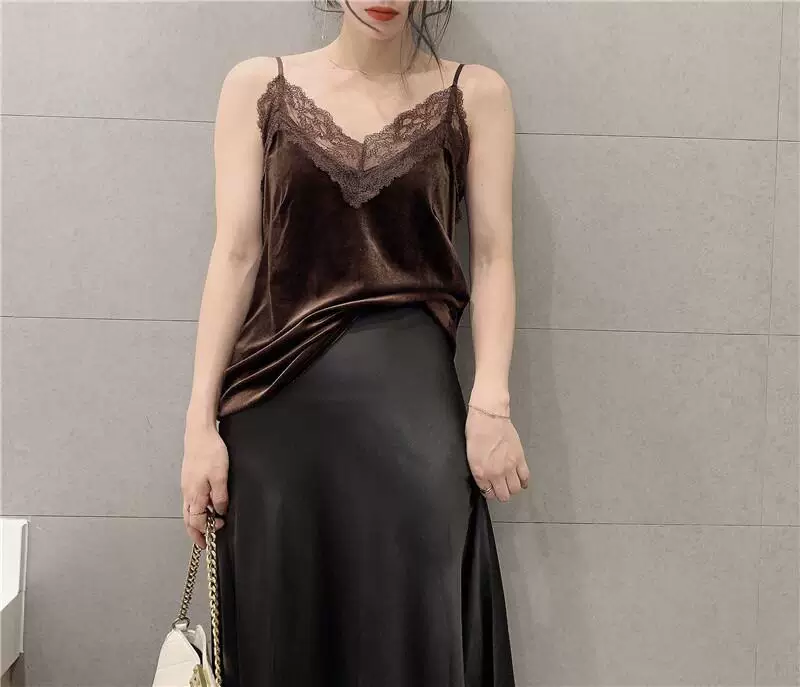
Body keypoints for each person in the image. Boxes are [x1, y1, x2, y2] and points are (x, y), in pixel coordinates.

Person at [180, 0, 530, 684]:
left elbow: (492, 257)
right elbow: (236, 256)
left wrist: (491, 401)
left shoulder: (475, 95)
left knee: (417, 630)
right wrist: (199, 426)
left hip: (414, 421)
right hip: (274, 423)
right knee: (285, 637)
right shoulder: (257, 87)